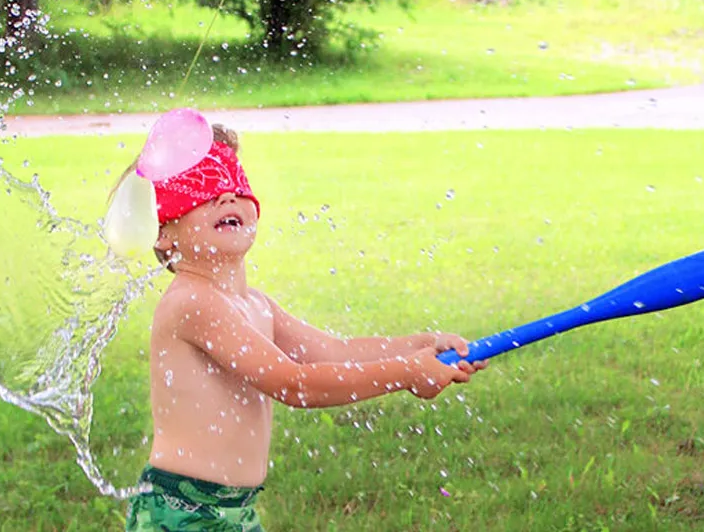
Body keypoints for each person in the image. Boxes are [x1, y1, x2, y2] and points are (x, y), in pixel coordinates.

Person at [116, 118, 488, 531]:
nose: (226, 196)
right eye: (202, 189)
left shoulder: (254, 304)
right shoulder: (192, 302)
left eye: (237, 186)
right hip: (182, 512)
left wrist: (420, 346)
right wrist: (406, 373)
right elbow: (296, 384)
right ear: (163, 232)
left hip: (236, 511)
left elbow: (334, 352)